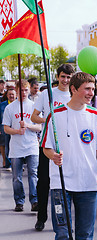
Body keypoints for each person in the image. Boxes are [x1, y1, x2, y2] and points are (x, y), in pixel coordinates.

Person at [40, 72, 97, 240]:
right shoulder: (54, 115)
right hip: (60, 183)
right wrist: (54, 156)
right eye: (87, 89)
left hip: (88, 183)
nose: (91, 93)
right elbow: (45, 147)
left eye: (93, 89)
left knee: (85, 235)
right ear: (73, 89)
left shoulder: (95, 115)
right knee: (62, 234)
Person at [31, 63, 75, 231]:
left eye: (68, 77)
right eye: (62, 76)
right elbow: (35, 117)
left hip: (67, 146)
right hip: (47, 146)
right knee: (44, 183)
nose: (65, 80)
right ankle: (41, 217)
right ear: (57, 77)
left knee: (66, 185)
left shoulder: (73, 94)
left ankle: (66, 221)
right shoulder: (46, 94)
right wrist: (49, 120)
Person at [3, 80, 42, 212]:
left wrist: (28, 125)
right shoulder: (10, 108)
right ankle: (19, 201)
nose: (24, 93)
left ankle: (34, 200)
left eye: (26, 90)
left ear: (29, 90)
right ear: (17, 91)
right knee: (16, 177)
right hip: (16, 147)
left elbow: (39, 126)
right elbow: (6, 128)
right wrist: (17, 131)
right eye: (21, 90)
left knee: (33, 174)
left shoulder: (34, 106)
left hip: (31, 146)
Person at [0, 87, 16, 170]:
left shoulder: (19, 105)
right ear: (7, 95)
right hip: (5, 129)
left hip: (16, 129)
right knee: (7, 146)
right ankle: (9, 164)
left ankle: (16, 165)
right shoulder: (2, 105)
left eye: (13, 94)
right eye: (9, 94)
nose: (11, 96)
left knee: (16, 146)